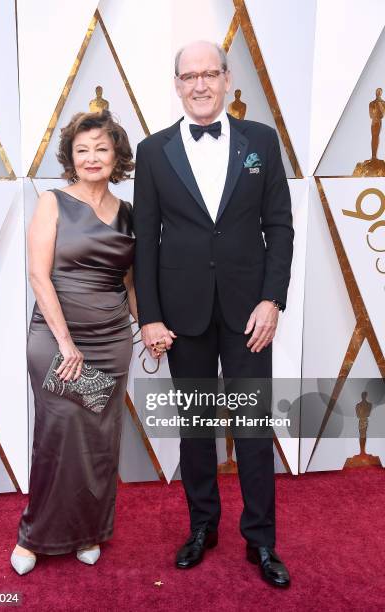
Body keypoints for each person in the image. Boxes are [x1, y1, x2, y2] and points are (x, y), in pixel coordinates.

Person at [133, 41, 294, 588]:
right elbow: (145, 244)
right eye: (189, 76)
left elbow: (281, 226)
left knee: (252, 426)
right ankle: (202, 526)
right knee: (196, 428)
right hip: (181, 315)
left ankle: (262, 539)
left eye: (209, 74)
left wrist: (273, 300)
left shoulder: (262, 142)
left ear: (226, 80)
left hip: (251, 311)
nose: (199, 85)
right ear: (176, 85)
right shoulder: (152, 152)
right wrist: (149, 316)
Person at [11, 111, 164, 575]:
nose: (92, 157)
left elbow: (131, 283)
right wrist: (66, 342)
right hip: (57, 341)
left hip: (113, 341)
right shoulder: (52, 202)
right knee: (58, 436)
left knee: (99, 440)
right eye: (82, 150)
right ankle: (35, 537)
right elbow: (39, 275)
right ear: (70, 158)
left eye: (101, 148)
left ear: (115, 154)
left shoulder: (128, 213)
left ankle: (88, 532)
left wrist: (149, 329)